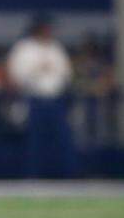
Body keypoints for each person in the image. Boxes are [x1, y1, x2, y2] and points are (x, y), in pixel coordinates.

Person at [7, 15, 75, 177]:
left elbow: (67, 73)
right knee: (35, 141)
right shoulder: (24, 48)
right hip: (34, 100)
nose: (48, 32)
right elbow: (16, 75)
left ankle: (65, 174)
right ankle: (33, 174)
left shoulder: (55, 48)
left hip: (55, 100)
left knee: (61, 138)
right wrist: (37, 69)